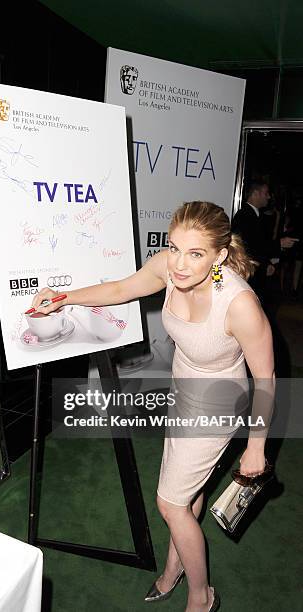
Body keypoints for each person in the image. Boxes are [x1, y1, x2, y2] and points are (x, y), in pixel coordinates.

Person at [30, 201, 275, 612]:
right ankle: (173, 568)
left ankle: (202, 596)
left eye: (195, 254)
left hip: (219, 405)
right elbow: (122, 289)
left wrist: (256, 446)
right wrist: (65, 298)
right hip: (183, 393)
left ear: (219, 254)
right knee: (185, 490)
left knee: (170, 503)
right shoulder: (169, 266)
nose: (177, 264)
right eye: (173, 247)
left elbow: (266, 379)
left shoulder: (239, 304)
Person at [231, 180, 297, 304]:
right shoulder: (245, 216)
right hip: (248, 276)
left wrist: (266, 264)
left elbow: (257, 244)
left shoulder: (254, 215)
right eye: (266, 193)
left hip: (254, 274)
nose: (269, 196)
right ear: (255, 193)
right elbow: (248, 246)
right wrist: (279, 244)